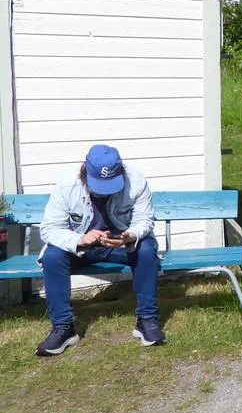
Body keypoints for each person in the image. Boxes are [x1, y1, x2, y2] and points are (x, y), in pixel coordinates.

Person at [35, 144, 164, 356]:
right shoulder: (67, 184)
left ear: (121, 171)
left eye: (110, 185)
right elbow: (50, 229)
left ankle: (147, 321)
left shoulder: (136, 181)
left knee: (146, 249)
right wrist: (80, 239)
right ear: (84, 169)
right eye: (99, 185)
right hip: (80, 247)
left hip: (118, 244)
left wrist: (130, 236)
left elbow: (145, 220)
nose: (104, 192)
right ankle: (63, 328)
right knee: (52, 255)